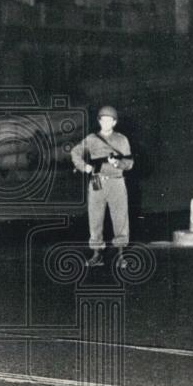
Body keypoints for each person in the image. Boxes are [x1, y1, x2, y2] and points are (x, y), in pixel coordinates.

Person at [70, 106, 134, 268]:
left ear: (114, 122)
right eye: (103, 119)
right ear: (99, 121)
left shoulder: (122, 140)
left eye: (109, 120)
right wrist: (84, 167)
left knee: (120, 219)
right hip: (97, 182)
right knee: (95, 219)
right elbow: (75, 152)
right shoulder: (91, 139)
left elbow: (130, 163)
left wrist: (117, 162)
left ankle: (121, 255)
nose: (106, 123)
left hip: (116, 182)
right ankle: (97, 254)